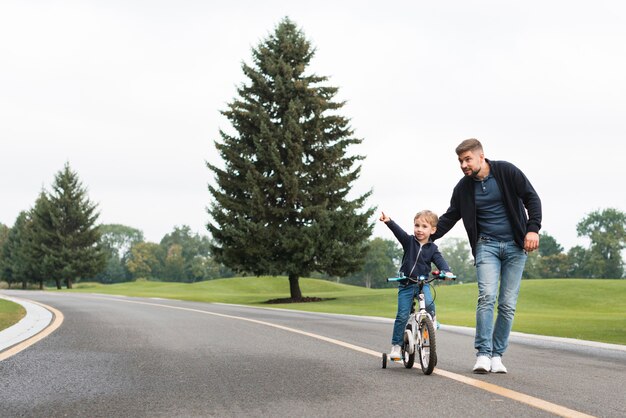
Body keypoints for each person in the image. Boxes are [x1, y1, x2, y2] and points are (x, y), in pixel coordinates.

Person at [431, 138, 542, 374]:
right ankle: (483, 353)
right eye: (460, 161)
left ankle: (497, 355)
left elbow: (532, 198)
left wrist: (533, 229)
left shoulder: (506, 172)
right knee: (486, 297)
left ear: (481, 157)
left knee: (507, 304)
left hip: (515, 247)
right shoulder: (463, 188)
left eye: (467, 159)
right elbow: (451, 217)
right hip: (486, 246)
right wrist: (426, 237)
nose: (463, 164)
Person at [380, 210, 453, 361]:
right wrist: (388, 221)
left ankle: (432, 320)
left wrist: (446, 272)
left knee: (429, 303)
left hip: (422, 284)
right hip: (406, 284)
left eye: (424, 226)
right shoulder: (409, 241)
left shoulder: (432, 249)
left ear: (432, 230)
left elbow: (440, 261)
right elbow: (398, 232)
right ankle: (396, 346)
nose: (419, 229)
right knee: (402, 315)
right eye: (417, 225)